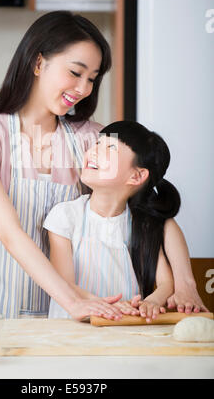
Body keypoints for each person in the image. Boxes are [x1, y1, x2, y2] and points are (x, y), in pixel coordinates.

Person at [0, 10, 123, 320]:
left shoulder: (93, 138)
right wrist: (72, 301)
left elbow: (142, 211)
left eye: (92, 78)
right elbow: (9, 232)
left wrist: (180, 283)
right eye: (76, 72)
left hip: (73, 314)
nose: (84, 88)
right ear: (38, 62)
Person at [44, 121, 209, 321]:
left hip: (123, 332)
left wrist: (152, 302)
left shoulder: (142, 225)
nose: (94, 151)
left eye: (110, 148)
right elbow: (63, 282)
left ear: (137, 176)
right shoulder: (65, 216)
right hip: (70, 334)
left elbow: (166, 282)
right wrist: (105, 306)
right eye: (97, 143)